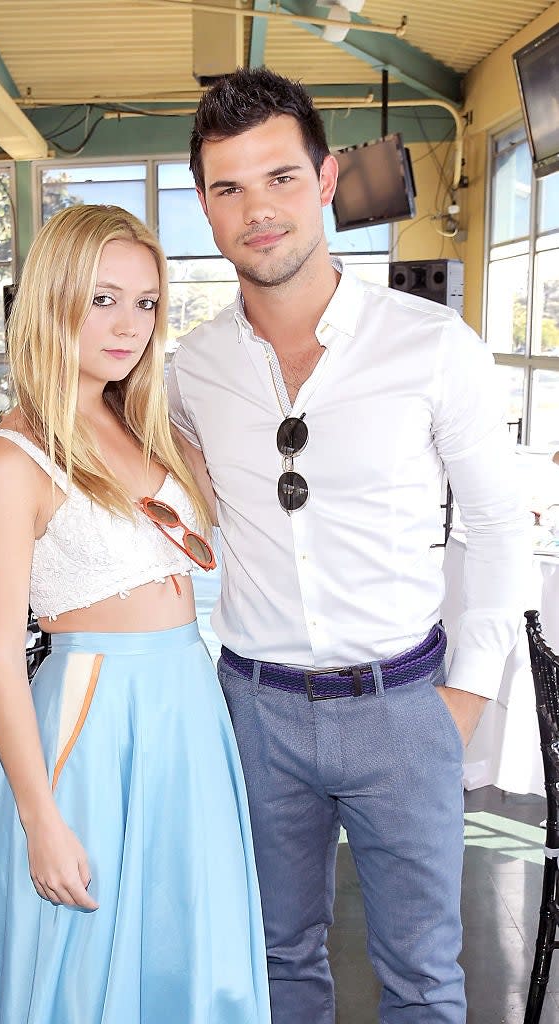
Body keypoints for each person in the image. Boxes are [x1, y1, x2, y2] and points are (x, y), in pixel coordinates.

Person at [167, 68, 530, 1024]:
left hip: (403, 703)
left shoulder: (432, 345)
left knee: (421, 982)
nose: (257, 210)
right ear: (202, 204)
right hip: (254, 711)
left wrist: (463, 696)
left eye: (280, 178)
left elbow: (498, 524)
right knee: (275, 966)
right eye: (227, 187)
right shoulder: (189, 371)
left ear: (326, 181)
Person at [0, 205, 270, 1024]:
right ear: (54, 299)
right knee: (85, 967)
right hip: (93, 724)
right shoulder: (7, 458)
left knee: (186, 943)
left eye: (146, 302)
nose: (129, 324)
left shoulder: (151, 428)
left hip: (189, 711)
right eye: (103, 299)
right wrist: (38, 817)